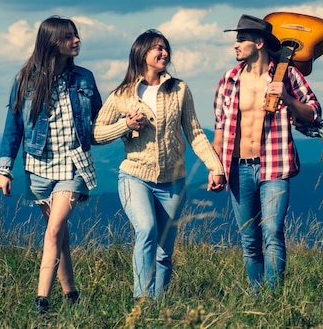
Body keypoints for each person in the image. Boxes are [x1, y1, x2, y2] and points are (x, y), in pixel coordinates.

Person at [93, 29, 225, 299]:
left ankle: (158, 305)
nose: (164, 52)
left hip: (173, 180)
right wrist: (125, 125)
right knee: (147, 229)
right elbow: (96, 133)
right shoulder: (122, 94)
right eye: (157, 48)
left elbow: (195, 132)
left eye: (165, 48)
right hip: (134, 176)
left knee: (165, 250)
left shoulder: (179, 89)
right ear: (142, 54)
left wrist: (216, 167)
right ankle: (141, 302)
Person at [0, 16, 103, 313]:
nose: (77, 40)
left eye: (76, 35)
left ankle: (41, 301)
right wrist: (5, 171)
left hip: (74, 166)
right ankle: (72, 297)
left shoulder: (84, 78)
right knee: (61, 236)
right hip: (38, 169)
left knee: (53, 231)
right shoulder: (25, 80)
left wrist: (125, 125)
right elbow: (13, 127)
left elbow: (99, 122)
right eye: (69, 37)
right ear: (52, 42)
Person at [213, 14, 322, 292]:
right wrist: (215, 168)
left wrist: (286, 97)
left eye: (241, 39)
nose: (236, 45)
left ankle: (274, 298)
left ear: (259, 43)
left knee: (273, 233)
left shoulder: (287, 75)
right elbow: (220, 129)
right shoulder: (229, 80)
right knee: (249, 240)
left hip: (274, 165)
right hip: (238, 167)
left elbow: (313, 113)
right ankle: (257, 296)